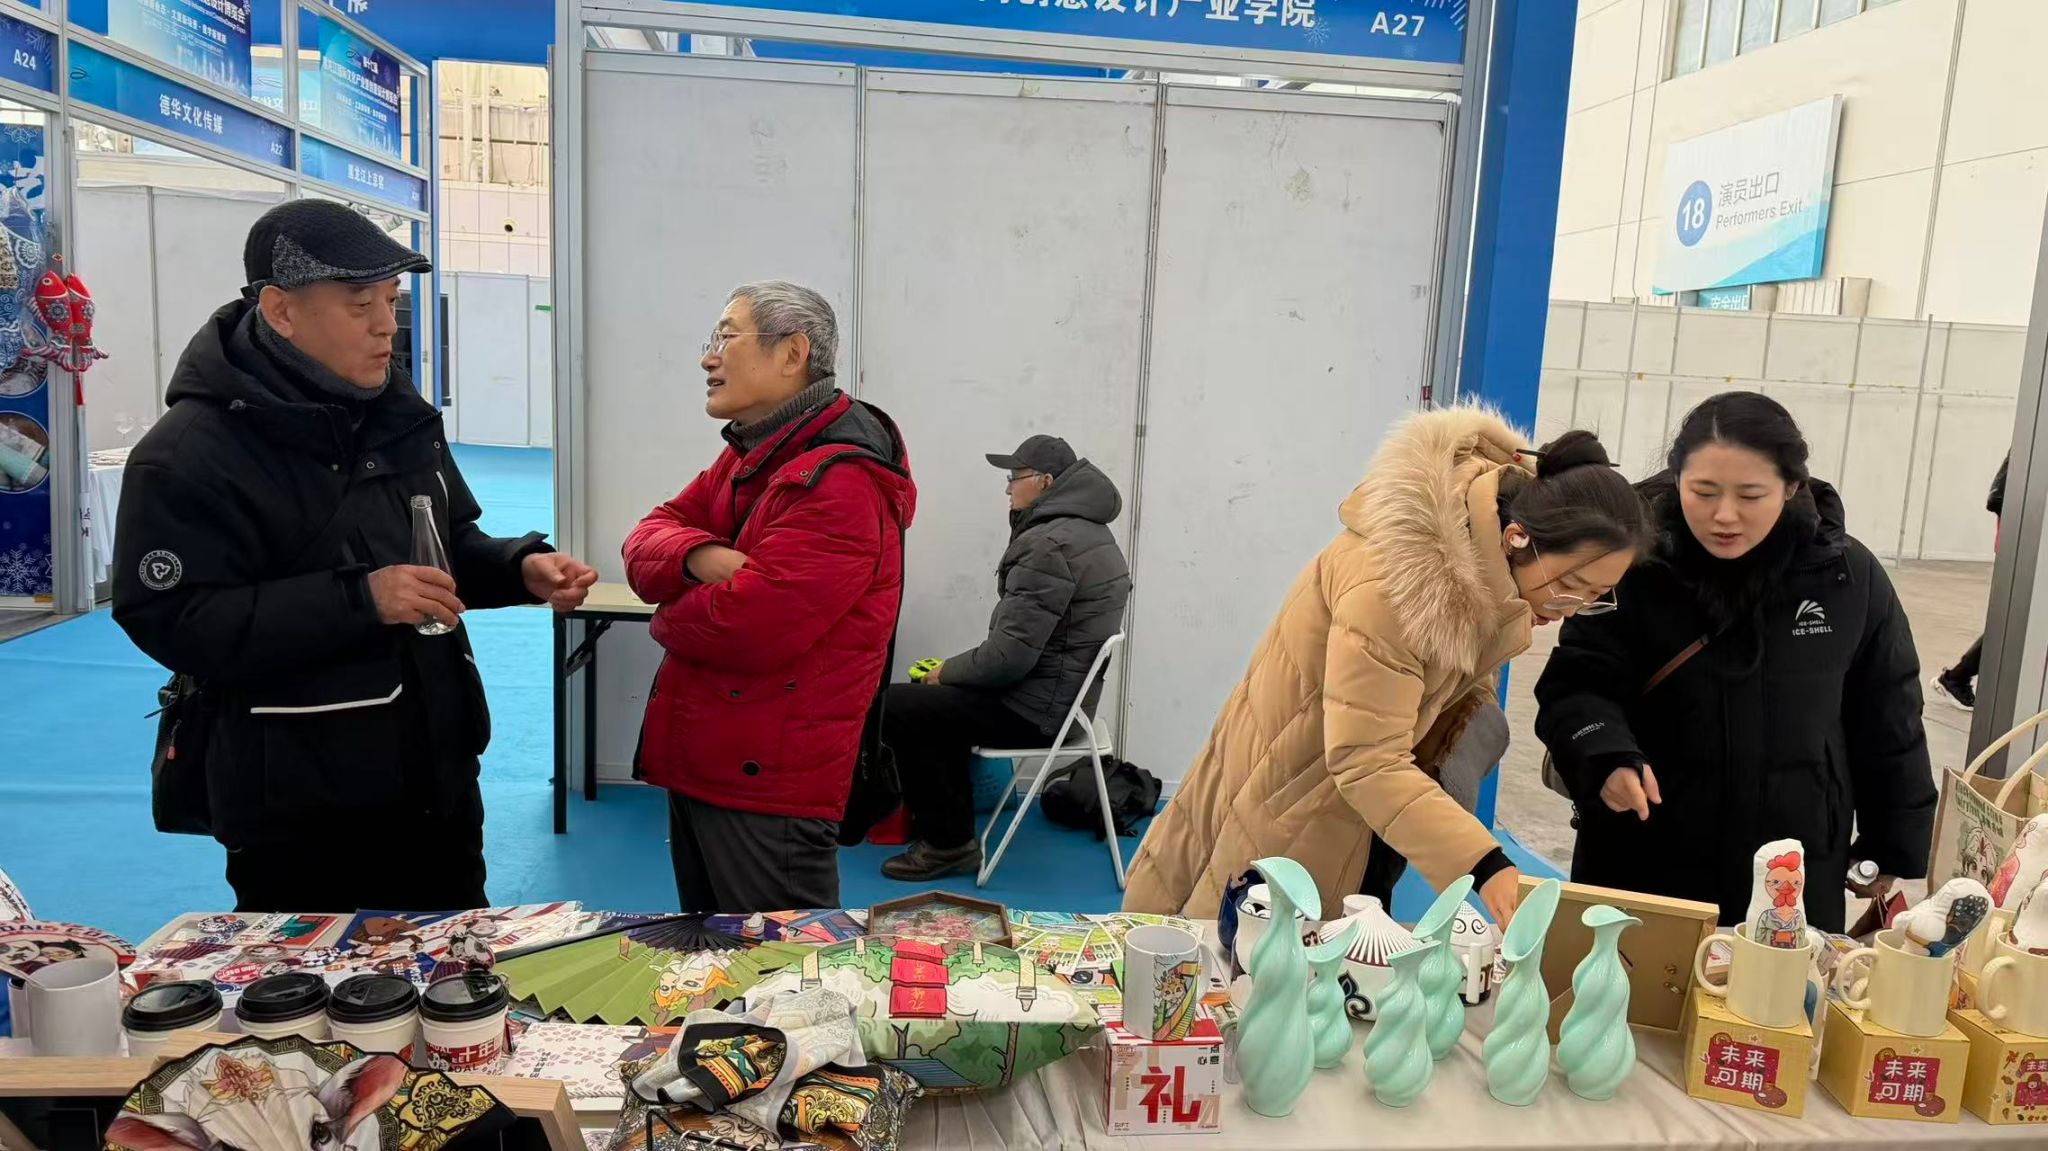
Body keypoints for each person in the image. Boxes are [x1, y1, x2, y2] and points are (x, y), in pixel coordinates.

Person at [112, 200, 597, 913]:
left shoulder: (398, 414)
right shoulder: (188, 455)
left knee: (456, 965)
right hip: (300, 811)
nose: (386, 326)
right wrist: (360, 599)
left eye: (392, 301)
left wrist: (518, 568)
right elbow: (173, 618)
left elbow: (445, 546)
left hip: (437, 784)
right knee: (318, 983)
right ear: (281, 311)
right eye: (360, 304)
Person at [1122, 408, 1653, 929]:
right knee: (1229, 958)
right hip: (1291, 804)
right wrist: (1483, 862)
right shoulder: (1402, 584)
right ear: (1517, 538)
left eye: (1595, 596)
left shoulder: (1483, 576)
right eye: (1570, 586)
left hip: (1351, 810)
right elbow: (1366, 759)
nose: (1570, 609)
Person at [1535, 392, 1936, 933]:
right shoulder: (1633, 564)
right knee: (1631, 984)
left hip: (1793, 872)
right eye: (1703, 492)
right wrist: (1602, 755)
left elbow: (1889, 714)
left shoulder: (1846, 577)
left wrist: (1892, 843)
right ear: (1676, 478)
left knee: (1782, 988)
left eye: (1751, 495)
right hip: (1647, 855)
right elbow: (1576, 684)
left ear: (1791, 487)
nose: (1724, 515)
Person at [624, 281, 916, 914]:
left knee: (783, 965)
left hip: (770, 783)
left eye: (727, 336)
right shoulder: (753, 454)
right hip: (713, 760)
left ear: (792, 354)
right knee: (714, 952)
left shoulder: (840, 480)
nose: (708, 357)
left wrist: (666, 611)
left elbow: (745, 628)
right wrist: (699, 558)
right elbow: (647, 537)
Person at [878, 435, 1133, 881]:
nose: (1008, 488)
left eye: (1015, 478)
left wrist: (944, 673)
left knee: (897, 706)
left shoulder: (1049, 545)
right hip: (1065, 704)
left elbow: (1006, 659)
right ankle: (949, 829)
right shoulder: (1088, 531)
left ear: (1046, 482)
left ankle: (947, 845)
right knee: (935, 704)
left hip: (1037, 710)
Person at [1932, 454, 2008, 712]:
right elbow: (1999, 498)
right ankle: (1956, 678)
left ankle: (1957, 677)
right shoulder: (2033, 446)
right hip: (2024, 549)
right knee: (2015, 623)